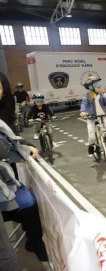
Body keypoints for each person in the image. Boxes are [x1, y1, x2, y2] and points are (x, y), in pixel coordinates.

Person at [0, 71, 47, 265]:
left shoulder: (7, 106)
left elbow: (10, 136)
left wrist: (26, 145)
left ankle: (34, 241)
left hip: (5, 181)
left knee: (28, 202)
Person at [80, 76, 106, 155]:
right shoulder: (87, 96)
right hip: (91, 118)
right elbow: (83, 104)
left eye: (99, 85)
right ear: (91, 87)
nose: (100, 87)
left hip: (102, 117)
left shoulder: (101, 96)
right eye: (97, 86)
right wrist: (82, 112)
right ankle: (91, 145)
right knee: (92, 137)